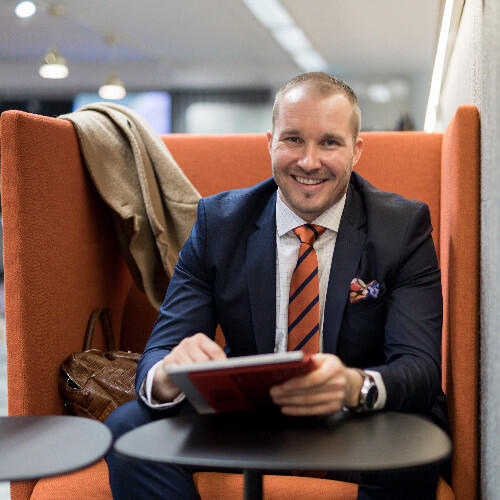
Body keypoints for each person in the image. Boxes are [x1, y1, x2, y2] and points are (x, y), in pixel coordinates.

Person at [105, 72, 447, 500]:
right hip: (250, 415)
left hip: (357, 418)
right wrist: (171, 372)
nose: (308, 161)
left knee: (416, 443)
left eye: (329, 142)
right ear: (270, 142)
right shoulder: (218, 224)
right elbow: (158, 353)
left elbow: (419, 367)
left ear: (356, 150)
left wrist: (353, 385)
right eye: (293, 140)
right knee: (127, 429)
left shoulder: (402, 228)